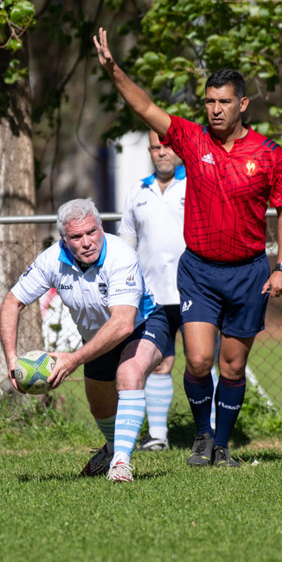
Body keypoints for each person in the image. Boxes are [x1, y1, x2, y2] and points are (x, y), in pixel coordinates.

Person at [94, 29, 282, 468]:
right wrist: (113, 69)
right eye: (209, 101)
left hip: (248, 274)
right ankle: (203, 435)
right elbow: (144, 107)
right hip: (199, 271)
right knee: (200, 360)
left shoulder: (267, 154)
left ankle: (222, 446)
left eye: (224, 102)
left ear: (242, 103)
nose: (215, 109)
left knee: (233, 368)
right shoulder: (191, 138)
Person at [0, 198, 171, 483]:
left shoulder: (121, 255)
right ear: (64, 239)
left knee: (129, 373)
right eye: (77, 237)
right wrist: (11, 359)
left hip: (144, 324)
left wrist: (73, 359)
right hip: (97, 337)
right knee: (100, 408)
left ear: (101, 227)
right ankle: (112, 448)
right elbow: (11, 302)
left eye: (92, 232)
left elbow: (122, 324)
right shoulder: (51, 259)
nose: (87, 242)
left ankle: (120, 463)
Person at [117, 130, 192, 452]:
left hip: (193, 289)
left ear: (177, 149)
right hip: (152, 296)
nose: (161, 152)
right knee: (159, 364)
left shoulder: (195, 183)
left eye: (166, 147)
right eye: (154, 148)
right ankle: (158, 436)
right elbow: (127, 241)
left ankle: (212, 432)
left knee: (203, 361)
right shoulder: (138, 189)